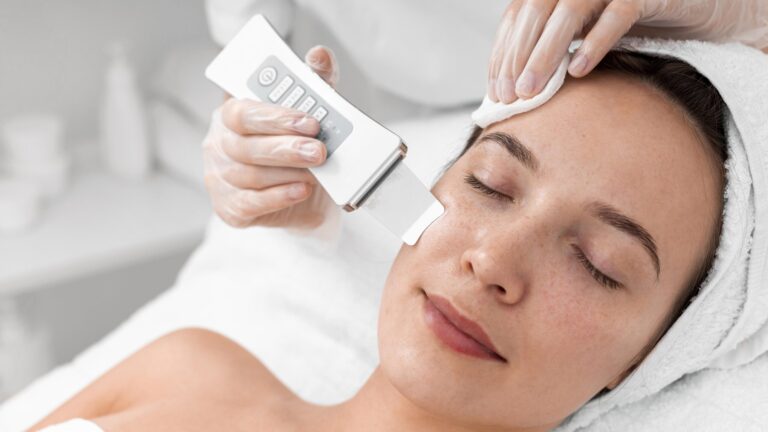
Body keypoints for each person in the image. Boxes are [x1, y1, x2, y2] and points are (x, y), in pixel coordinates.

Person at [31, 48, 728, 431]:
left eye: (598, 265)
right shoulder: (187, 367)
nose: (491, 261)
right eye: (489, 184)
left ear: (644, 363)